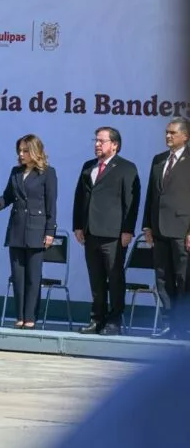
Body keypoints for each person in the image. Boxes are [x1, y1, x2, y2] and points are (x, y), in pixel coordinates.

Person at [73, 127, 140, 336]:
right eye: (96, 140)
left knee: (115, 277)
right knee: (96, 279)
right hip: (91, 232)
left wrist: (128, 230)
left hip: (113, 234)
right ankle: (97, 319)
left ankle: (114, 320)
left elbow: (131, 201)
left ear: (114, 145)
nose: (97, 144)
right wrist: (78, 225)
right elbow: (79, 197)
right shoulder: (88, 167)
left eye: (101, 141)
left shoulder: (126, 168)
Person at [0, 134, 57, 329]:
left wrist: (50, 231)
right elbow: (8, 196)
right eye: (19, 151)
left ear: (35, 151)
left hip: (37, 230)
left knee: (33, 277)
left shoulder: (47, 173)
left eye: (25, 151)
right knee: (18, 277)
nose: (21, 154)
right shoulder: (16, 172)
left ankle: (31, 317)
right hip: (17, 229)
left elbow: (51, 205)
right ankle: (19, 316)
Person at [143, 116, 190, 339]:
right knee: (163, 278)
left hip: (182, 230)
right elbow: (151, 194)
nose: (168, 136)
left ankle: (184, 325)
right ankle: (170, 324)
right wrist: (147, 225)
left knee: (183, 278)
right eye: (166, 132)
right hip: (159, 229)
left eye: (173, 132)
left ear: (185, 136)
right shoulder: (159, 159)